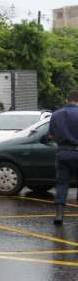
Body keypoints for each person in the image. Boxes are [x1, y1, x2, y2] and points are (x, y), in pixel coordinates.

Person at [49, 90, 78, 224]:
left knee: (62, 183)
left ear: (67, 100)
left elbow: (51, 135)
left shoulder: (55, 115)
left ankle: (59, 215)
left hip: (63, 153)